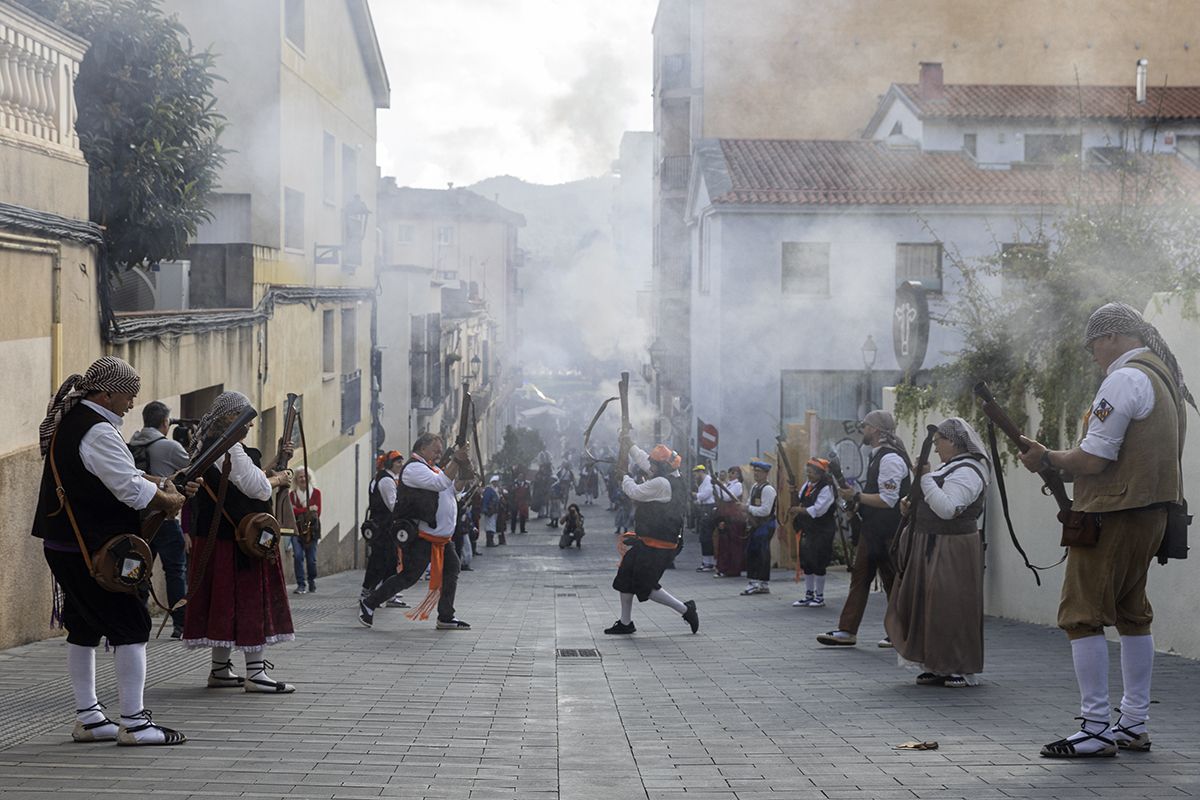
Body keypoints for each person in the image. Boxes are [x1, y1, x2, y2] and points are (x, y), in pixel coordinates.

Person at [1018, 302, 1189, 758]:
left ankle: (1095, 727)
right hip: (1151, 514)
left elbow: (1094, 459)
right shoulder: (1163, 378)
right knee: (1133, 615)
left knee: (1081, 616)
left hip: (1112, 515)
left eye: (1094, 342)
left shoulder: (1124, 378)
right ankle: (1132, 723)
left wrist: (1048, 457)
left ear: (1112, 336)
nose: (1092, 352)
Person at [33, 356, 195, 745]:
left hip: (68, 544)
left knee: (84, 628)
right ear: (106, 393)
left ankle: (89, 718)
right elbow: (130, 489)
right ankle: (135, 724)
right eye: (128, 395)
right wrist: (170, 502)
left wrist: (161, 482)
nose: (132, 403)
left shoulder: (76, 423)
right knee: (131, 626)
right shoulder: (99, 431)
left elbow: (121, 474)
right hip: (95, 550)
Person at [183, 391, 296, 694]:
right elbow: (258, 487)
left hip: (220, 537)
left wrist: (274, 463)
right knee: (249, 602)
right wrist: (280, 479)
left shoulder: (214, 446)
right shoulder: (228, 447)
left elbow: (245, 477)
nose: (248, 426)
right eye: (244, 419)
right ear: (230, 418)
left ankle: (220, 670)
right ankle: (256, 673)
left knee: (224, 603)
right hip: (239, 541)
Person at [885, 418, 990, 687]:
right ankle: (935, 662)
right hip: (932, 545)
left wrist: (924, 479)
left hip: (953, 547)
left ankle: (956, 664)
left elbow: (948, 508)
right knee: (930, 606)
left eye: (938, 442)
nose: (935, 448)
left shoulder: (969, 470)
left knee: (952, 607)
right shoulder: (950, 467)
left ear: (953, 441)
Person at [358, 433, 473, 630]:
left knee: (451, 570)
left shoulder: (432, 469)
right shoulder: (414, 468)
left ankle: (446, 616)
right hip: (422, 535)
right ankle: (369, 602)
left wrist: (463, 469)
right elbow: (440, 483)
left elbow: (454, 490)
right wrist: (455, 459)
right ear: (422, 448)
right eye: (436, 450)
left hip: (441, 538)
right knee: (409, 576)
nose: (439, 454)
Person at [818, 410, 911, 647]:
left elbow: (889, 500)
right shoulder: (878, 456)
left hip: (889, 532)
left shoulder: (890, 459)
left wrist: (857, 495)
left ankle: (900, 633)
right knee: (860, 580)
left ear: (877, 430)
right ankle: (847, 630)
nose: (863, 430)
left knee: (893, 583)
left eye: (866, 426)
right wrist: (855, 503)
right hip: (873, 531)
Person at [604, 441, 699, 635]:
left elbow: (635, 492)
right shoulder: (669, 474)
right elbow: (646, 461)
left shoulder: (661, 483)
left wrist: (624, 477)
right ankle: (625, 622)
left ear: (662, 466)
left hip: (659, 543)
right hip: (650, 539)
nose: (650, 467)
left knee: (645, 586)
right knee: (626, 576)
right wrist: (628, 442)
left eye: (654, 465)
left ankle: (686, 610)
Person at [128, 400, 191, 638]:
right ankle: (180, 624)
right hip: (164, 519)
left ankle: (136, 618)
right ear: (165, 422)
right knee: (175, 571)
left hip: (140, 519)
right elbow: (192, 467)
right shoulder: (169, 446)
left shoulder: (133, 442)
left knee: (140, 570)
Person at [361, 451, 406, 607]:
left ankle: (388, 594)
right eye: (398, 462)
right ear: (390, 464)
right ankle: (367, 592)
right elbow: (393, 505)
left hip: (383, 527)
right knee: (379, 561)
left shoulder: (384, 477)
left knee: (389, 560)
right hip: (383, 527)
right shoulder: (386, 480)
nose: (401, 465)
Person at [791, 458, 837, 608]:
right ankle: (809, 594)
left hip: (822, 530)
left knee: (819, 563)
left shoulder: (827, 488)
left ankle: (820, 597)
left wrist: (800, 510)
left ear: (820, 474)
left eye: (811, 472)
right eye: (808, 471)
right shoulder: (808, 485)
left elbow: (818, 510)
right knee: (807, 563)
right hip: (808, 529)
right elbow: (800, 499)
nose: (808, 475)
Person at [740, 461, 778, 595]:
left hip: (765, 524)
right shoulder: (755, 487)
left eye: (759, 471)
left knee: (760, 554)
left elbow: (765, 511)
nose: (756, 473)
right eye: (755, 471)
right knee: (753, 552)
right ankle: (757, 582)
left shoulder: (768, 489)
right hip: (756, 524)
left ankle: (758, 582)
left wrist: (747, 508)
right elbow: (750, 502)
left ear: (766, 473)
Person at [289, 467, 321, 594]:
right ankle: (301, 584)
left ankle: (312, 580)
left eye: (304, 476)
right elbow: (292, 511)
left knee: (311, 559)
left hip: (312, 530)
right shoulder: (292, 495)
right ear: (296, 479)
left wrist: (300, 509)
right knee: (297, 556)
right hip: (296, 529)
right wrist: (307, 509)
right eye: (300, 477)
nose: (302, 479)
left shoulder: (316, 493)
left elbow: (317, 511)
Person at [714, 467, 746, 578]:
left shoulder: (738, 485)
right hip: (727, 516)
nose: (731, 474)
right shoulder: (729, 485)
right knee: (724, 544)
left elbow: (727, 497)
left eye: (733, 473)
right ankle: (724, 567)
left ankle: (732, 569)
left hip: (734, 518)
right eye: (730, 472)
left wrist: (719, 486)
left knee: (732, 545)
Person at [693, 465, 717, 572]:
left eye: (697, 473)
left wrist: (696, 495)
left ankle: (709, 562)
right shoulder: (702, 482)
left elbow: (705, 495)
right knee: (704, 536)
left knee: (706, 536)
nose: (695, 475)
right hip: (704, 508)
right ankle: (706, 561)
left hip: (709, 509)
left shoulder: (708, 481)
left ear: (701, 472)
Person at [482, 476, 501, 547]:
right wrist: (485, 509)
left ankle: (491, 541)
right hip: (489, 511)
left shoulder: (496, 490)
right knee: (489, 526)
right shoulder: (489, 490)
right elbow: (485, 500)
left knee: (492, 526)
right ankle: (489, 542)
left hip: (494, 511)